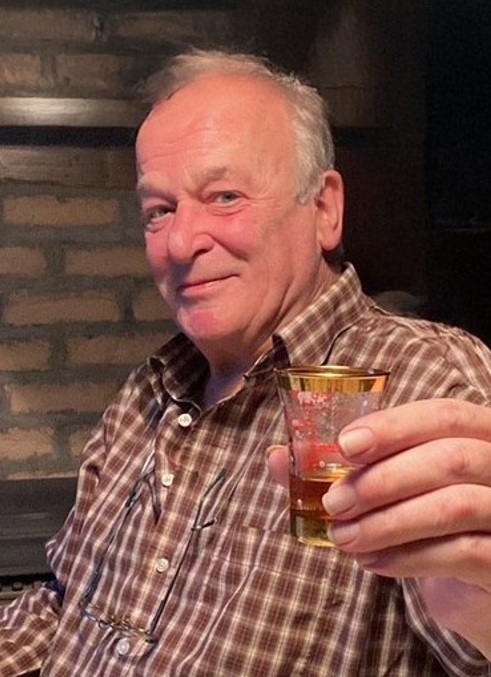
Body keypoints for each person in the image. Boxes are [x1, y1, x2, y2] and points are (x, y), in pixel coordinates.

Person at [1, 48, 491, 676]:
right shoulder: (147, 395)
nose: (181, 243)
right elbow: (66, 605)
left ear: (324, 209)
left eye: (225, 196)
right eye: (159, 212)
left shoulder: (422, 380)